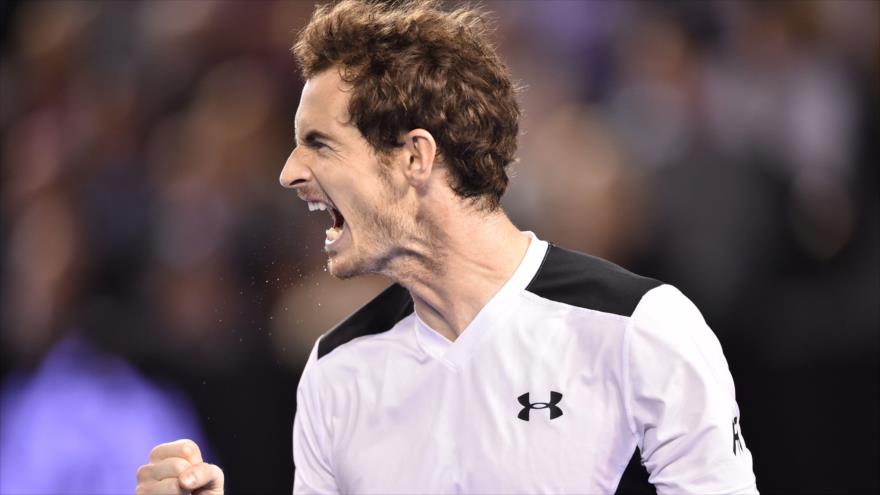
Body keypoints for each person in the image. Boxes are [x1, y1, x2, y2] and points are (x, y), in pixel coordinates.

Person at [136, 1, 758, 493]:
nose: (289, 172)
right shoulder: (335, 372)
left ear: (414, 156)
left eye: (319, 144)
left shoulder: (640, 330)